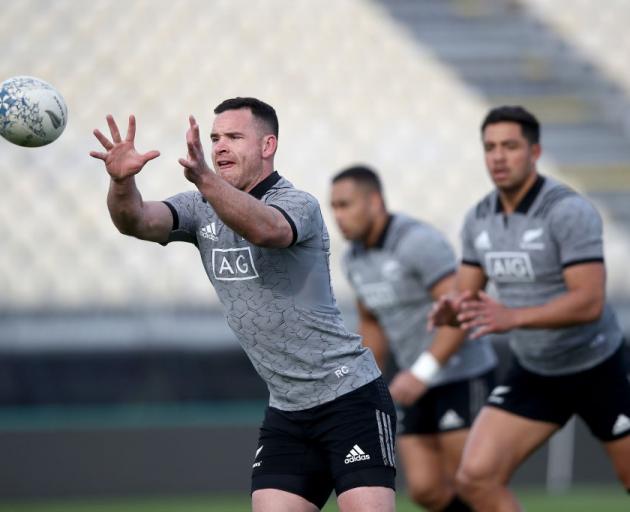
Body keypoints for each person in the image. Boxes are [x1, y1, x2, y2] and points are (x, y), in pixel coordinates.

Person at [90, 97, 397, 512]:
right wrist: (122, 183)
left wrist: (205, 181)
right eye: (215, 137)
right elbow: (137, 221)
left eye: (234, 137)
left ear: (267, 146)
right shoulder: (199, 206)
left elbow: (266, 229)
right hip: (287, 409)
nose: (219, 146)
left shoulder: (297, 203)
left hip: (349, 396)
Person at [430, 105, 630, 511]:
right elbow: (465, 295)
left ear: (535, 152)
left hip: (600, 366)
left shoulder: (566, 211)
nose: (498, 157)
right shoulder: (479, 219)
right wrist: (450, 309)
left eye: (510, 146)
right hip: (536, 372)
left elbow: (589, 301)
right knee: (475, 478)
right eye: (489, 147)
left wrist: (513, 317)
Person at [330, 165, 497, 512]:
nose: (338, 216)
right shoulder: (353, 259)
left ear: (374, 202)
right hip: (412, 382)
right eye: (334, 207)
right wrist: (364, 384)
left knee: (470, 482)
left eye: (345, 205)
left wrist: (424, 371)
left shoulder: (417, 242)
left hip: (460, 375)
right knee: (425, 489)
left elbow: (459, 313)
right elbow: (371, 323)